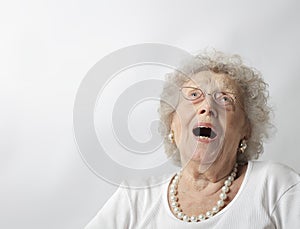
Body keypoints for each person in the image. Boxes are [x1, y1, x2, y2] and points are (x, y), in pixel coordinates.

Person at [85, 50, 300, 228]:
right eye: (194, 96)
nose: (207, 107)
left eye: (225, 98)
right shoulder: (134, 198)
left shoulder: (275, 185)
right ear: (172, 123)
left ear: (246, 130)